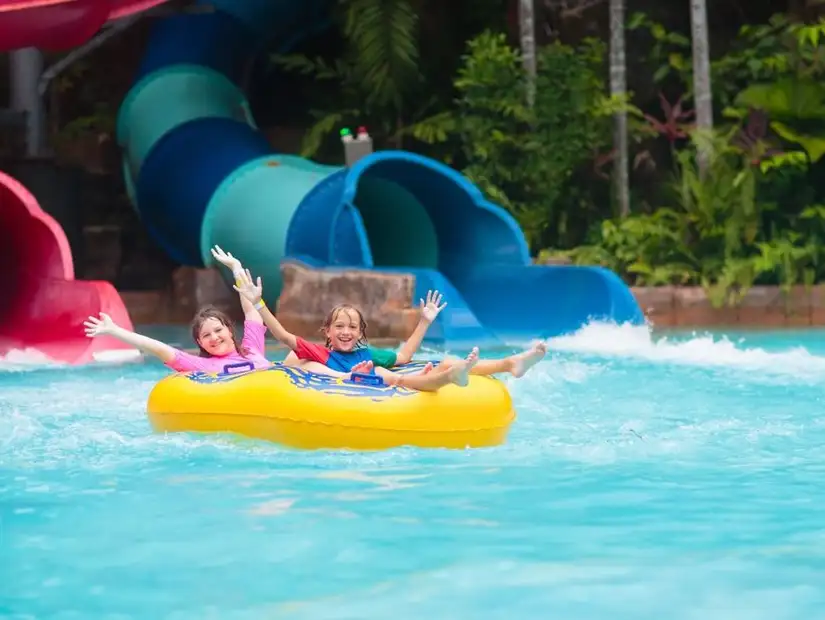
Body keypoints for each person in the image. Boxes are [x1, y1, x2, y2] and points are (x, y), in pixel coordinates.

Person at [232, 268, 479, 391]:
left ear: (360, 333)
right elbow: (283, 336)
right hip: (334, 390)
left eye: (352, 327)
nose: (346, 332)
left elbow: (404, 357)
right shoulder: (320, 353)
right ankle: (445, 377)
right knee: (382, 373)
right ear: (327, 331)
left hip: (379, 383)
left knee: (383, 370)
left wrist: (424, 321)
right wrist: (258, 303)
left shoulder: (367, 355)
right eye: (339, 326)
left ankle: (449, 375)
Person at [83, 246, 272, 374]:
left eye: (218, 330)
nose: (214, 337)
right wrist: (114, 330)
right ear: (200, 343)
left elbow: (251, 310)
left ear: (229, 330)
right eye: (206, 336)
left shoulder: (252, 348)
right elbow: (156, 347)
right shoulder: (201, 365)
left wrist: (236, 268)